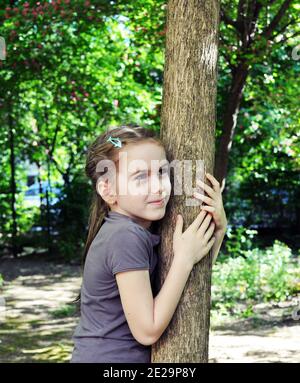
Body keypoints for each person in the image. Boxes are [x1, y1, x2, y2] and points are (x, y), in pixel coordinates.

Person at [70, 124, 227, 363]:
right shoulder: (124, 236)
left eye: (162, 172)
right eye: (140, 176)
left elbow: (193, 281)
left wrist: (219, 227)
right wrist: (183, 259)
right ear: (107, 189)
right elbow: (147, 331)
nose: (158, 187)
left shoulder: (133, 230)